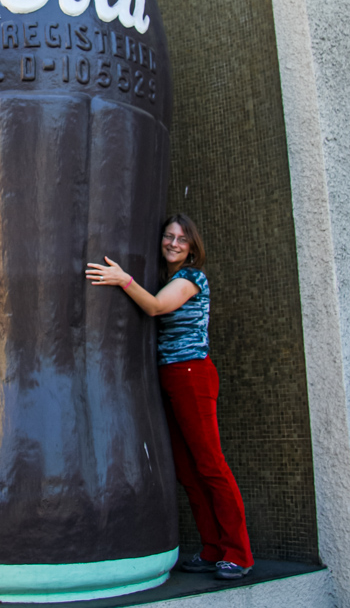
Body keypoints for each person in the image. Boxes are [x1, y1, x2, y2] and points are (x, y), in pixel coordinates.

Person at [85, 213, 254, 581]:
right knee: (189, 471)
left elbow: (156, 307)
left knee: (210, 465)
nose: (173, 243)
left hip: (192, 374)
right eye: (168, 237)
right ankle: (212, 549)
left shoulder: (192, 278)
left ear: (192, 246)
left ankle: (238, 553)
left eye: (182, 239)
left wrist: (121, 279)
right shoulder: (169, 278)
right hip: (171, 377)